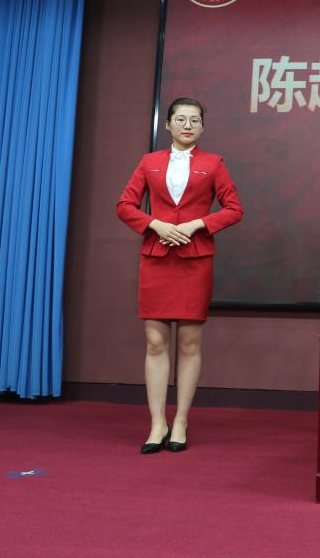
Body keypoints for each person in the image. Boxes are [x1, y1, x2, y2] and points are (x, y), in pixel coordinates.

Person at [116, 97, 243, 454]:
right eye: (181, 119)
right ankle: (157, 423)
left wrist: (197, 224)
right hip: (156, 258)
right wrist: (154, 224)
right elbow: (124, 205)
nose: (188, 125)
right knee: (155, 343)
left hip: (194, 259)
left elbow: (234, 209)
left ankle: (182, 420)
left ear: (202, 127)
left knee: (189, 343)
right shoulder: (150, 162)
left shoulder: (213, 164)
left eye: (195, 120)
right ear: (168, 124)